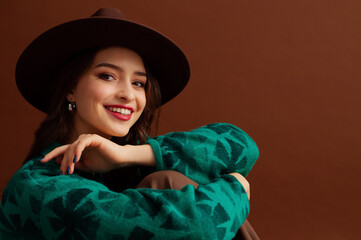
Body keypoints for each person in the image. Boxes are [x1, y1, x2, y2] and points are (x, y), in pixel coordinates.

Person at [0, 8, 259, 239]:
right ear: (70, 88)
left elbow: (243, 146)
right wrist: (237, 186)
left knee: (166, 180)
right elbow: (197, 229)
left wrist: (126, 155)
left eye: (138, 83)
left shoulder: (123, 166)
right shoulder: (38, 186)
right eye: (108, 75)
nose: (128, 94)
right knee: (175, 186)